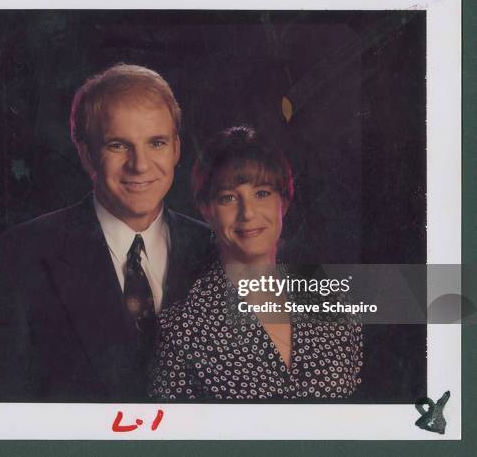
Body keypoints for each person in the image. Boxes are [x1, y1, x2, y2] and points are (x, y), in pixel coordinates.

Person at [0, 63, 213, 402]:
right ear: (86, 154)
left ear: (177, 149)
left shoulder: (217, 249)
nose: (140, 164)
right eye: (118, 145)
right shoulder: (19, 256)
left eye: (157, 143)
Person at [149, 126, 363, 400]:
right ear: (207, 210)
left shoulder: (336, 303)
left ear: (283, 202)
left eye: (262, 193)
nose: (247, 213)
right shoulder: (181, 330)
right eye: (228, 198)